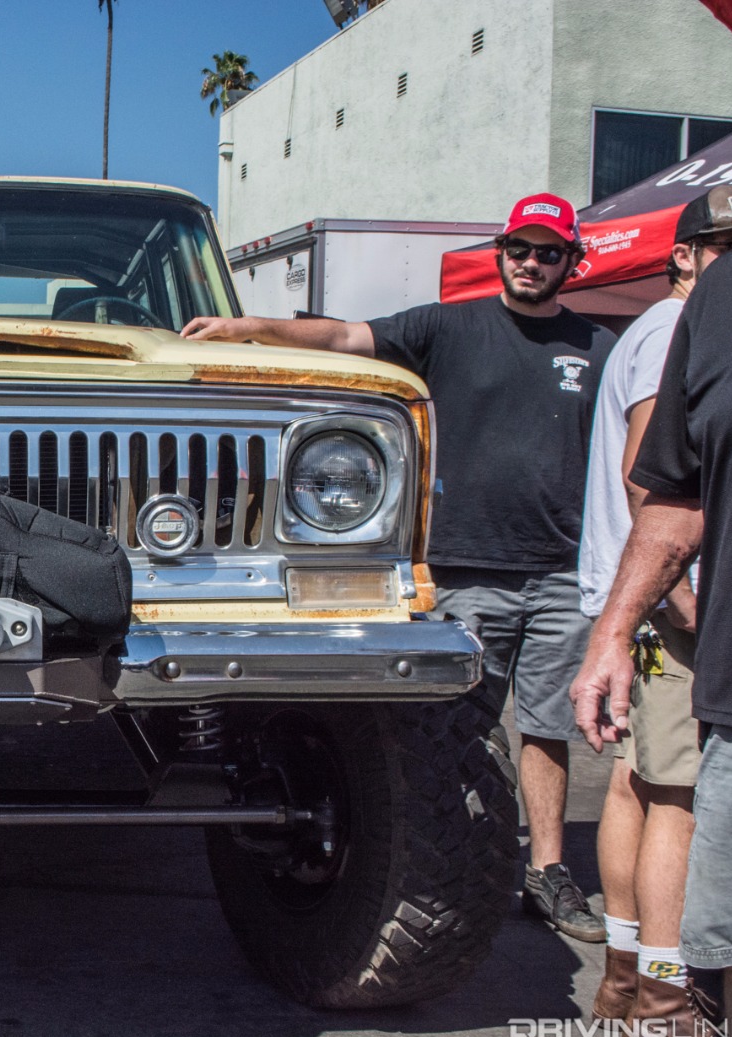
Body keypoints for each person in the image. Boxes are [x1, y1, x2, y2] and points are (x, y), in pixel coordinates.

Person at [183, 193, 616, 942]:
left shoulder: (598, 347)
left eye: (549, 252)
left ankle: (548, 871)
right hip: (462, 566)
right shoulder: (449, 326)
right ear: (502, 252)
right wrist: (251, 327)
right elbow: (346, 335)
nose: (532, 263)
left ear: (571, 262)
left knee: (547, 729)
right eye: (520, 248)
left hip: (560, 570)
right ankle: (452, 857)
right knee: (451, 725)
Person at [572, 70, 732, 1037]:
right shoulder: (727, 301)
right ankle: (658, 1000)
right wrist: (623, 627)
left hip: (715, 660)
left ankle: (644, 993)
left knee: (650, 793)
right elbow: (670, 488)